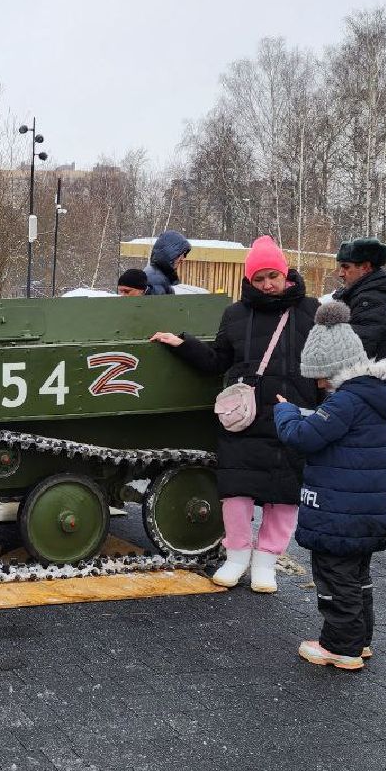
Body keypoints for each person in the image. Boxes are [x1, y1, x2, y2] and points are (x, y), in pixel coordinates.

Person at [149, 236, 320, 592]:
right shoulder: (237, 314)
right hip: (245, 418)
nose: (266, 284)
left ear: (285, 273)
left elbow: (327, 362)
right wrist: (184, 344)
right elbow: (217, 360)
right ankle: (237, 557)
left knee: (284, 497)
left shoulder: (310, 311)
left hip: (293, 417)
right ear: (249, 280)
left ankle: (267, 563)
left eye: (272, 275)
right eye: (258, 278)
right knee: (236, 494)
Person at [273, 300, 386, 671]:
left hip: (340, 514)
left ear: (335, 369)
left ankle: (340, 646)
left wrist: (284, 411)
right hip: (365, 512)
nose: (316, 384)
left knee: (334, 579)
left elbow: (302, 437)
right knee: (357, 577)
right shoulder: (374, 397)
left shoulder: (346, 401)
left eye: (319, 376)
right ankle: (359, 639)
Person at [332, 238, 386, 383]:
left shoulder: (371, 299)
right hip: (376, 387)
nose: (341, 273)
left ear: (365, 267)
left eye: (346, 267)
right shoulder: (367, 294)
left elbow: (357, 348)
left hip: (373, 389)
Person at [142, 230, 190, 295]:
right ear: (171, 253)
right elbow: (158, 304)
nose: (183, 259)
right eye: (182, 254)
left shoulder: (160, 274)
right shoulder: (156, 280)